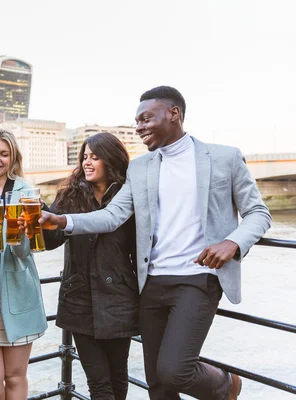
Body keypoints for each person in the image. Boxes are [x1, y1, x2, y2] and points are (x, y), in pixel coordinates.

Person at [39, 86, 271, 400]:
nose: (139, 127)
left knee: (174, 371)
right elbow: (113, 215)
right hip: (151, 284)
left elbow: (257, 212)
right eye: (136, 121)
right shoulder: (141, 167)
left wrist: (233, 242)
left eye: (146, 118)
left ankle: (225, 384)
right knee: (158, 387)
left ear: (174, 113)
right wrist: (63, 221)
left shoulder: (224, 157)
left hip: (198, 280)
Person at [42, 132, 139, 399]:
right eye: (85, 157)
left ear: (111, 160)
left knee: (118, 376)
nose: (87, 162)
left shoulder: (128, 197)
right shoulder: (70, 196)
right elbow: (51, 241)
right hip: (79, 299)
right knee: (98, 381)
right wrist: (37, 213)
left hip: (119, 297)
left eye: (95, 157)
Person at [0, 129, 47, 400]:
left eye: (4, 154)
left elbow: (28, 252)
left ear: (13, 159)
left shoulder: (26, 193)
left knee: (15, 378)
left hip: (16, 294)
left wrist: (24, 230)